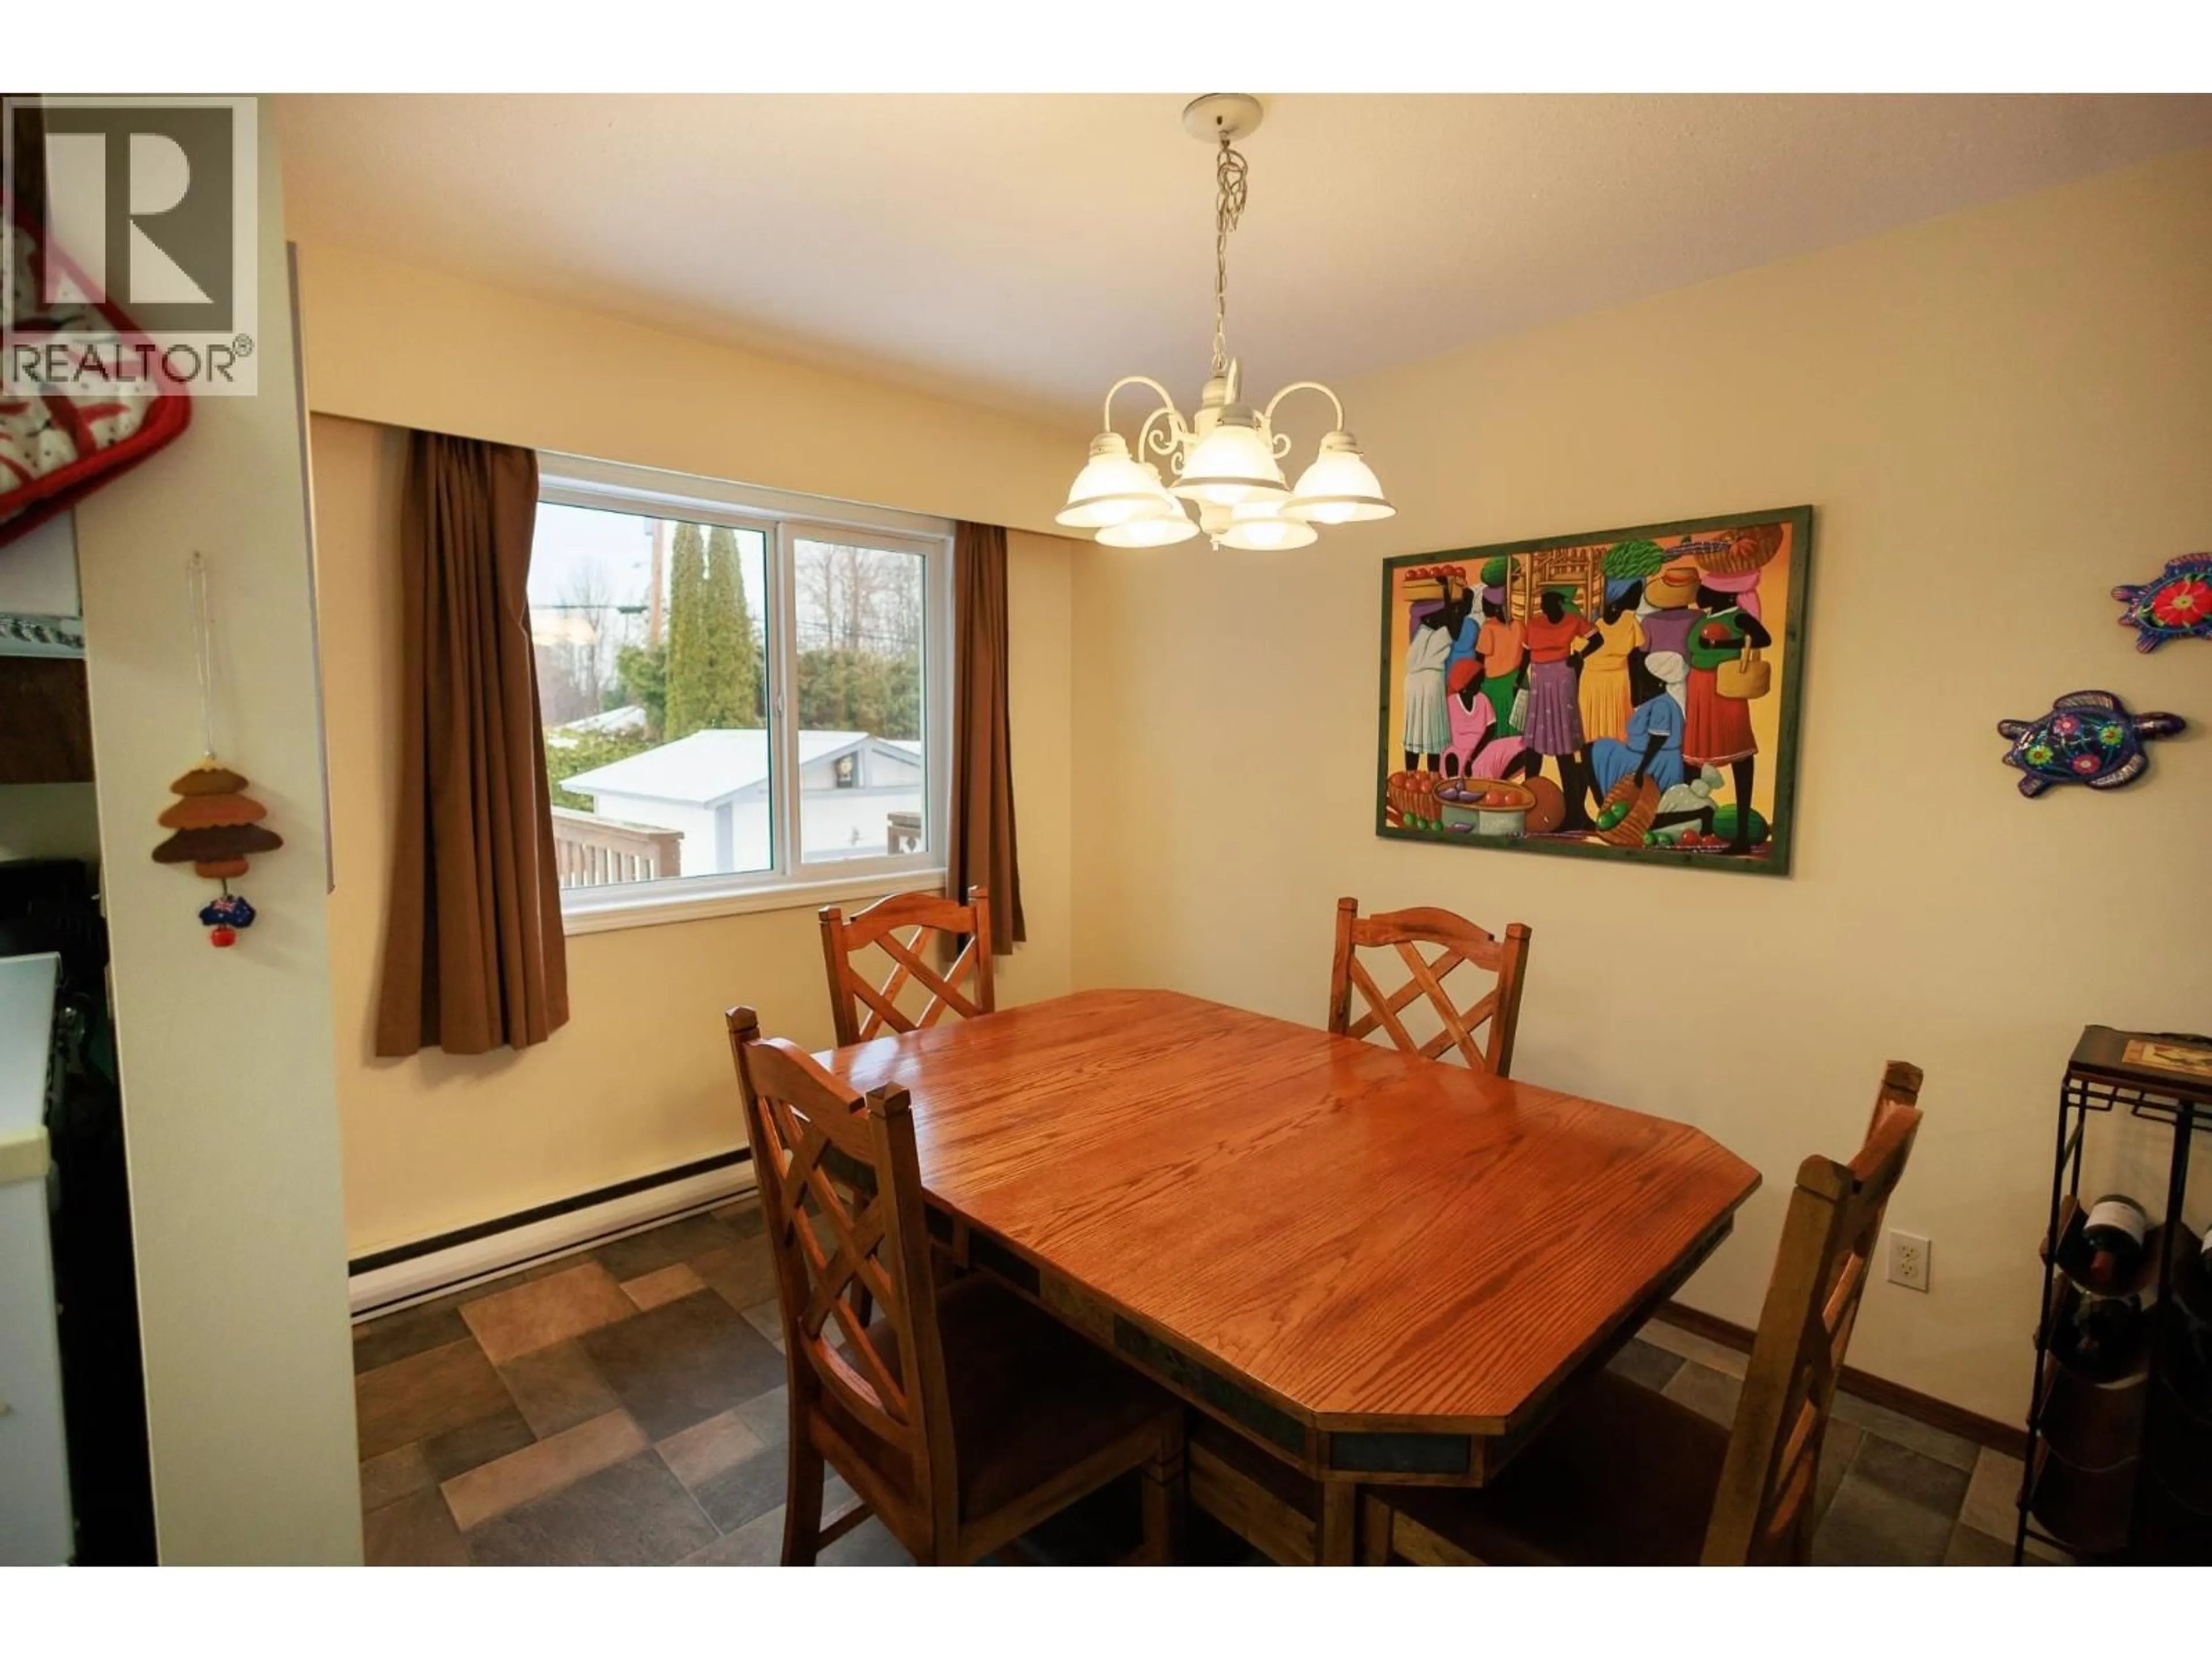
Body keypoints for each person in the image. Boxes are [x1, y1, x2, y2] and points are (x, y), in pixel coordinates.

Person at [1683, 582, 1774, 854]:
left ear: (1728, 592)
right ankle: (1695, 826)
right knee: (1695, 757)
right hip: (1699, 688)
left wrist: (1729, 642)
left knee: (1739, 751)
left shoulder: (1738, 616)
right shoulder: (1704, 618)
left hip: (1725, 688)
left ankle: (1743, 834)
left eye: (1707, 589)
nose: (1700, 594)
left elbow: (1763, 639)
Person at [1522, 588, 1597, 827]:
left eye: (1550, 603)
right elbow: (1525, 655)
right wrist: (1518, 680)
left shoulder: (1573, 621)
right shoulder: (1533, 625)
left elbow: (1598, 638)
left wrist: (1580, 656)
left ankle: (1573, 810)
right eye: (1544, 604)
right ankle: (1527, 800)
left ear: (1560, 604)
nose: (1546, 607)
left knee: (1563, 743)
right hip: (1540, 682)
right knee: (1535, 741)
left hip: (1563, 679)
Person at [1588, 650, 1688, 798]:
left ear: (1660, 681)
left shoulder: (1662, 705)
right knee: (1602, 746)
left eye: (1647, 677)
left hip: (1655, 761)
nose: (1643, 680)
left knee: (1600, 750)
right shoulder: (1658, 701)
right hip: (1644, 754)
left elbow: (1657, 740)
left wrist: (1640, 772)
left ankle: (1607, 799)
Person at [1402, 573, 1473, 773]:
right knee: (1431, 731)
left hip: (1414, 683)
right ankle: (1430, 776)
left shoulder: (1422, 629)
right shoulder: (1443, 631)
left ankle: (1412, 774)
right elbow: (1452, 617)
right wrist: (1446, 590)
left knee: (1415, 730)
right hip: (1430, 681)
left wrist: (1446, 591)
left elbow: (1451, 615)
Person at [1576, 589, 1647, 745]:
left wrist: (1637, 691)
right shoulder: (1595, 627)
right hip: (1594, 681)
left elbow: (1637, 657)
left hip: (1615, 680)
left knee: (1613, 723)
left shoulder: (1629, 622)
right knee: (1596, 722)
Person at [1446, 657, 1533, 781]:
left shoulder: (1483, 700)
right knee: (1451, 759)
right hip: (1457, 753)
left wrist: (1472, 757)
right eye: (1479, 681)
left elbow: (1490, 731)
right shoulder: (1451, 703)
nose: (1482, 684)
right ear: (1467, 683)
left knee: (1525, 745)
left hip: (1482, 750)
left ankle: (1501, 782)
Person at [1472, 589, 1527, 737]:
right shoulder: (1493, 626)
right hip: (1503, 683)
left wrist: (1519, 679)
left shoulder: (1493, 627)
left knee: (1506, 728)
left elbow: (1480, 658)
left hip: (1505, 683)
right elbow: (1480, 658)